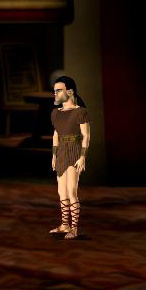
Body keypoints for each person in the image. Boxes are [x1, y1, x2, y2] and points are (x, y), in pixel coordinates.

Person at [49, 72, 90, 239]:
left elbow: (86, 136)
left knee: (72, 191)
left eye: (59, 90)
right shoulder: (55, 113)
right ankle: (65, 225)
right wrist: (54, 155)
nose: (56, 94)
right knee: (62, 192)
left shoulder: (80, 112)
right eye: (55, 91)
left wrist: (82, 156)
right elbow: (55, 135)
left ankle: (74, 228)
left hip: (74, 151)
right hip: (61, 153)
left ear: (70, 92)